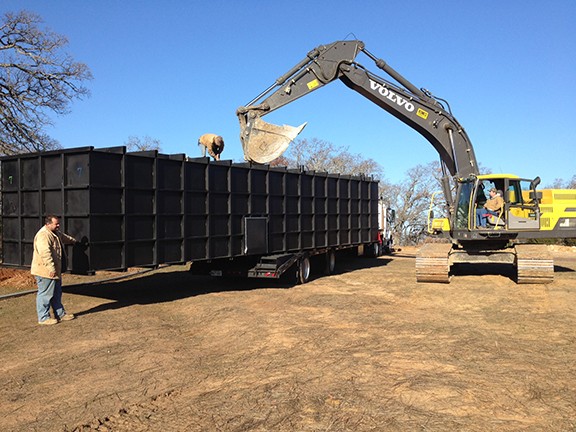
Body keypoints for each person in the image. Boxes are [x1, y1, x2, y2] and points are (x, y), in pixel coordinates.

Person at [31, 215, 78, 325]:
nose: (58, 225)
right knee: (45, 294)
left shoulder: (54, 232)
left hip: (54, 271)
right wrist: (51, 269)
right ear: (48, 224)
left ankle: (60, 314)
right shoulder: (43, 235)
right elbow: (45, 254)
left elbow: (63, 237)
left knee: (57, 293)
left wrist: (74, 241)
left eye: (58, 223)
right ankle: (43, 318)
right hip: (46, 271)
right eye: (56, 224)